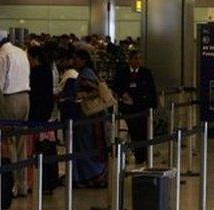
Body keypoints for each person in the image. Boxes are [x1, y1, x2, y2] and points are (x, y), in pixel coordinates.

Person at [0, 29, 31, 197]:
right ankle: (22, 185)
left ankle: (10, 185)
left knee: (8, 142)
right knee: (21, 143)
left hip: (9, 100)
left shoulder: (0, 57)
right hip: (25, 98)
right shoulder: (20, 52)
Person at [66, 48, 109, 187]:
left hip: (89, 117)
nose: (74, 61)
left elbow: (96, 90)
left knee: (87, 145)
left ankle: (92, 176)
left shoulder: (87, 73)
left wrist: (82, 96)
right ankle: (85, 176)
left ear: (83, 60)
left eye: (77, 58)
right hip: (87, 116)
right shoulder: (85, 73)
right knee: (84, 145)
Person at [114, 51, 158, 165]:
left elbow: (152, 91)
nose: (138, 61)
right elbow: (116, 85)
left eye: (139, 58)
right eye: (135, 58)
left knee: (143, 133)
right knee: (131, 132)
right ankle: (128, 155)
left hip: (142, 108)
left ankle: (142, 157)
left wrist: (153, 107)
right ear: (130, 60)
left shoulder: (146, 73)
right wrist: (122, 93)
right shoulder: (122, 72)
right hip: (128, 109)